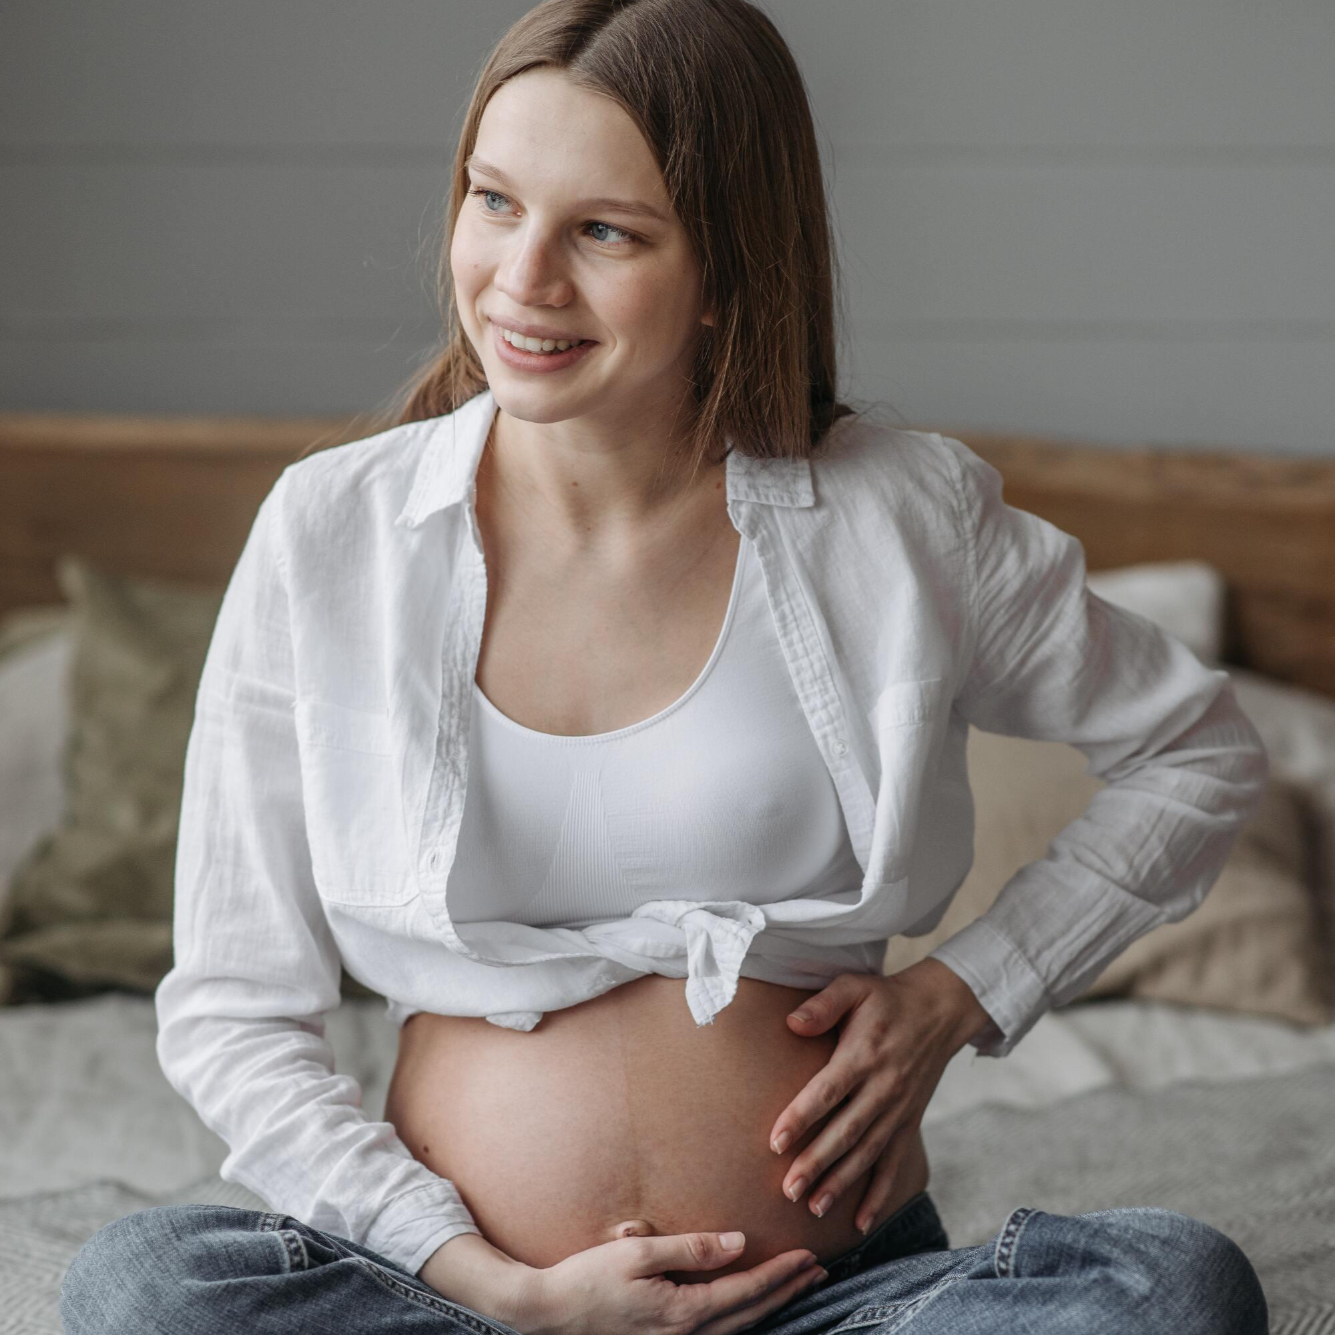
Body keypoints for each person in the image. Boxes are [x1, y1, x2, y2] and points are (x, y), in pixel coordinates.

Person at [61, 1, 1271, 1332]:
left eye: (603, 231)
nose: (522, 278)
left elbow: (1195, 749)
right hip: (456, 1302)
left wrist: (964, 988)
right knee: (141, 1285)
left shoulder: (898, 518)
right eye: (493, 200)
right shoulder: (331, 530)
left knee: (1171, 1286)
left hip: (836, 1298)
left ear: (728, 267)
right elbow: (234, 1006)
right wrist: (498, 1286)